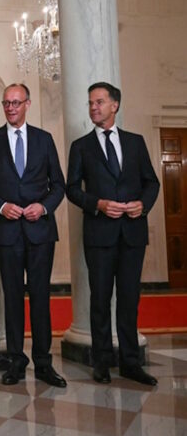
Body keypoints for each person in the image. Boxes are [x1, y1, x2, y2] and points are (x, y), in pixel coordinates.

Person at [66, 81, 160, 386]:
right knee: (100, 300)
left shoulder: (135, 142)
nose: (93, 107)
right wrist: (99, 204)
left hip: (133, 233)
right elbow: (71, 189)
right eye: (90, 103)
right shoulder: (81, 146)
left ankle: (131, 363)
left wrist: (142, 205)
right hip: (100, 234)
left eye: (99, 102)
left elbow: (152, 182)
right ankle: (102, 362)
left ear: (114, 105)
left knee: (129, 299)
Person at [0, 83, 67, 388]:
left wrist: (43, 207)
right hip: (6, 233)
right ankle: (16, 362)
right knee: (12, 298)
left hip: (40, 233)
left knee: (41, 298)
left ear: (27, 104)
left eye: (16, 102)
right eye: (6, 103)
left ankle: (44, 363)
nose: (11, 108)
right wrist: (2, 207)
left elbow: (59, 185)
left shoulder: (44, 139)